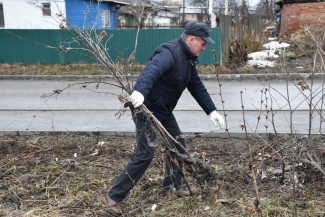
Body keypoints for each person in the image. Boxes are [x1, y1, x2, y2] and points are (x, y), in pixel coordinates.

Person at [103, 21, 225, 215]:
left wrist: (212, 111)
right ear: (191, 39)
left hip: (163, 110)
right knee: (145, 154)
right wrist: (140, 92)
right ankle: (113, 196)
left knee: (177, 144)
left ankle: (172, 186)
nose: (204, 48)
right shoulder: (170, 52)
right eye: (203, 44)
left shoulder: (188, 59)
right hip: (145, 108)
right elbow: (151, 71)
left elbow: (196, 86)